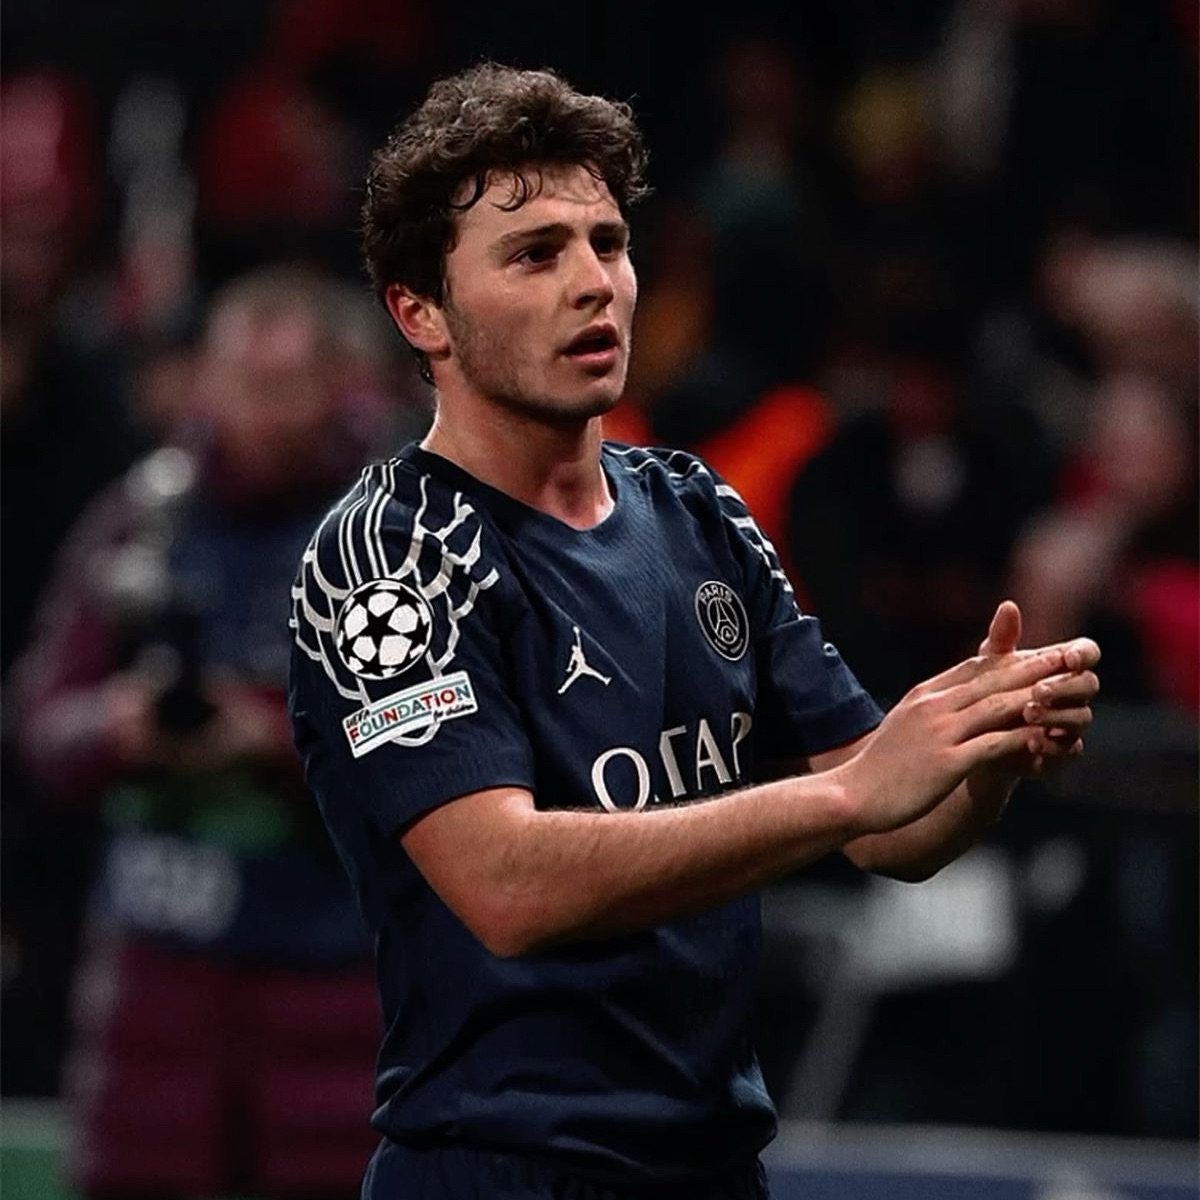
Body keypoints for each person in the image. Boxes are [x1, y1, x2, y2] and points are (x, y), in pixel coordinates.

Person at [287, 63, 1101, 1199]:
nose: (594, 284)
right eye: (535, 255)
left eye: (609, 243)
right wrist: (848, 797)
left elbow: (894, 830)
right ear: (420, 311)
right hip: (502, 1171)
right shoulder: (386, 559)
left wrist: (984, 753)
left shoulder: (697, 511)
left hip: (714, 1168)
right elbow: (506, 886)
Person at [13, 266, 406, 1199]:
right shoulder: (143, 518)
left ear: (342, 385)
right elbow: (39, 724)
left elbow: (431, 753)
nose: (256, 412)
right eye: (238, 381)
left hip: (336, 981)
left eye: (284, 385)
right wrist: (117, 728)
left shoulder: (393, 532)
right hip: (153, 989)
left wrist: (270, 743)